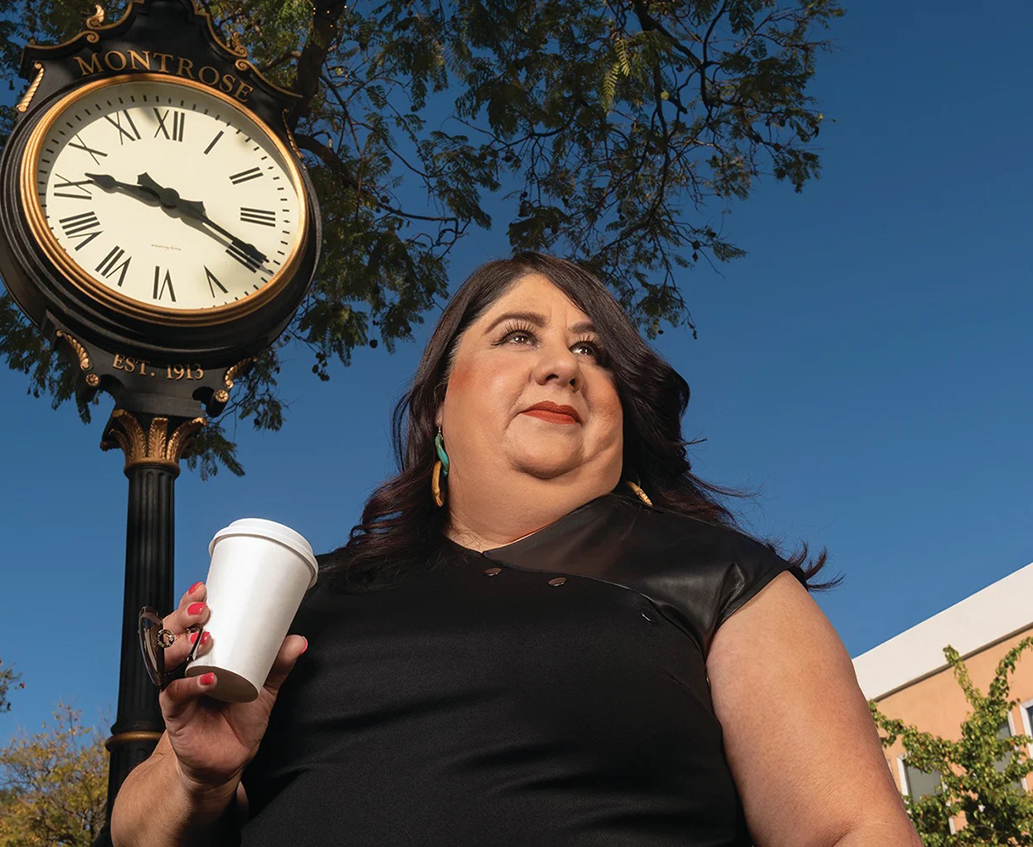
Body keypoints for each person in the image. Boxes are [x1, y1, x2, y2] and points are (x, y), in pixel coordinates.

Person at [111, 253, 921, 846]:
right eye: (517, 337)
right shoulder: (307, 595)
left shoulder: (719, 577)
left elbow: (847, 829)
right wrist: (197, 774)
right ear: (438, 404)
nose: (561, 367)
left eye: (591, 351)